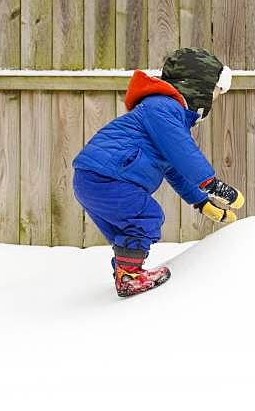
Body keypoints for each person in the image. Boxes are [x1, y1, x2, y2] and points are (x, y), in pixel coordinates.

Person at [72, 47, 244, 298]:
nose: (214, 99)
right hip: (109, 177)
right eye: (216, 91)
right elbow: (182, 151)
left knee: (129, 233)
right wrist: (211, 183)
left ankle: (126, 272)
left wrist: (201, 202)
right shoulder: (163, 107)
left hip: (94, 178)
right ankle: (129, 277)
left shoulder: (163, 112)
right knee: (147, 217)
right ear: (198, 88)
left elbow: (174, 168)